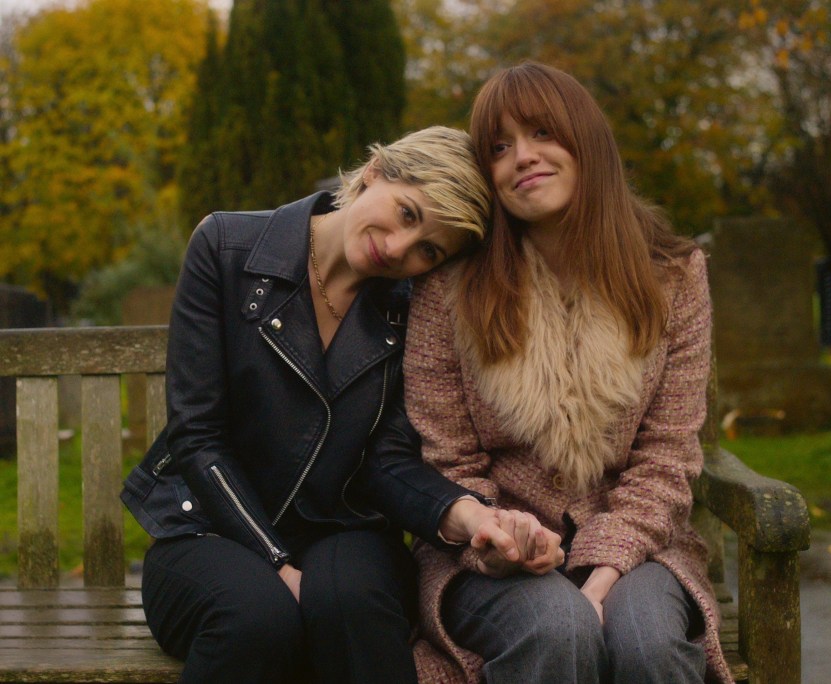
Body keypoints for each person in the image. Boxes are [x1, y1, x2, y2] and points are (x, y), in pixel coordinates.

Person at [121, 125, 562, 684]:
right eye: (407, 212)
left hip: (345, 531)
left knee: (350, 605)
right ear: (375, 172)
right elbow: (197, 436)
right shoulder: (227, 247)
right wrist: (276, 563)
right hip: (206, 529)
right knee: (256, 618)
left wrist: (474, 516)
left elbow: (387, 461)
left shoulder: (413, 307)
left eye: (429, 248)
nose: (401, 249)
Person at [403, 64, 736, 684]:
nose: (522, 158)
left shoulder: (672, 276)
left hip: (640, 543)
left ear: (585, 139)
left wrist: (601, 575)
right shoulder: (450, 290)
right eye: (498, 148)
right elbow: (444, 460)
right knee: (556, 632)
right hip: (485, 550)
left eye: (541, 133)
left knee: (649, 646)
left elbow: (666, 457)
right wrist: (503, 538)